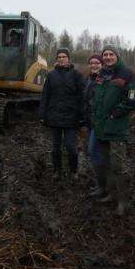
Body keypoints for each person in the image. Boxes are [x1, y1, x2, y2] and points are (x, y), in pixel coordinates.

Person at [90, 44, 135, 216]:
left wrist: (114, 114)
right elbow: (95, 99)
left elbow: (131, 101)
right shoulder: (101, 75)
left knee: (118, 166)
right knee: (106, 164)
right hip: (101, 128)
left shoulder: (127, 74)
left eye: (111, 54)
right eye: (106, 54)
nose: (108, 57)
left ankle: (123, 203)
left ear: (117, 56)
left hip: (116, 128)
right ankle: (111, 195)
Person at [39, 48, 85, 181]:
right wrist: (42, 114)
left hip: (72, 117)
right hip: (54, 116)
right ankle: (57, 170)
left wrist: (82, 116)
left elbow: (82, 97)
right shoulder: (51, 75)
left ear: (69, 59)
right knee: (55, 146)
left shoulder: (76, 75)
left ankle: (74, 171)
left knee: (71, 145)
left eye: (64, 56)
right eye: (59, 57)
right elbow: (45, 96)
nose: (61, 59)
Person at [83, 53, 108, 198]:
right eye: (91, 63)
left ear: (102, 64)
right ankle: (102, 185)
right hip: (91, 122)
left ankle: (104, 186)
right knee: (96, 154)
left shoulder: (103, 79)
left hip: (100, 123)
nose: (93, 65)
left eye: (96, 62)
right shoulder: (90, 79)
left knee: (95, 152)